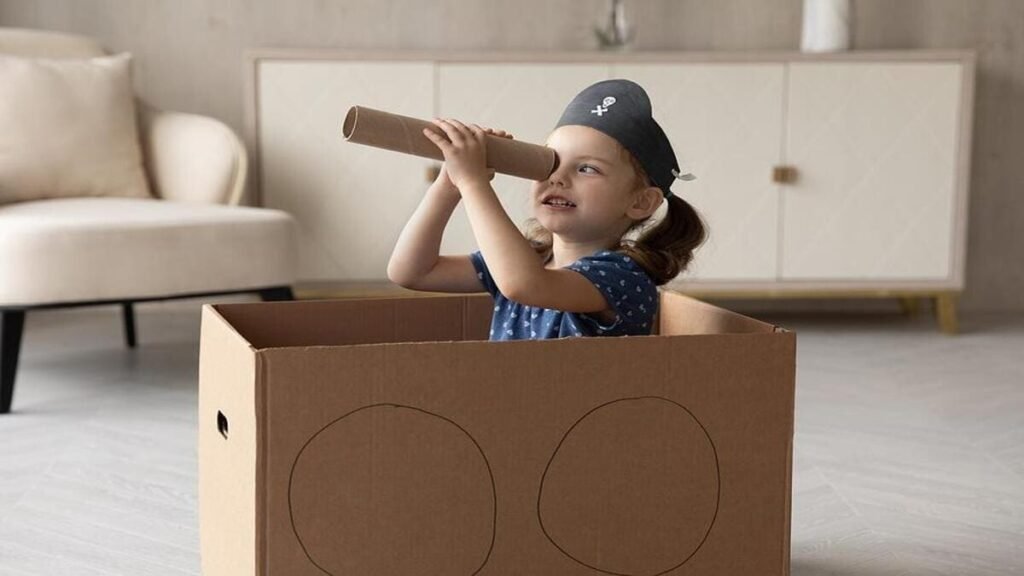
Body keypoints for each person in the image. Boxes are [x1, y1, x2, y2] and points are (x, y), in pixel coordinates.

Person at [387, 79, 706, 340]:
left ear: (640, 202)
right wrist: (449, 185)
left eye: (587, 169)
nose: (558, 178)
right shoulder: (530, 258)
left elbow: (524, 284)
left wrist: (473, 182)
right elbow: (412, 271)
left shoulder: (622, 278)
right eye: (551, 162)